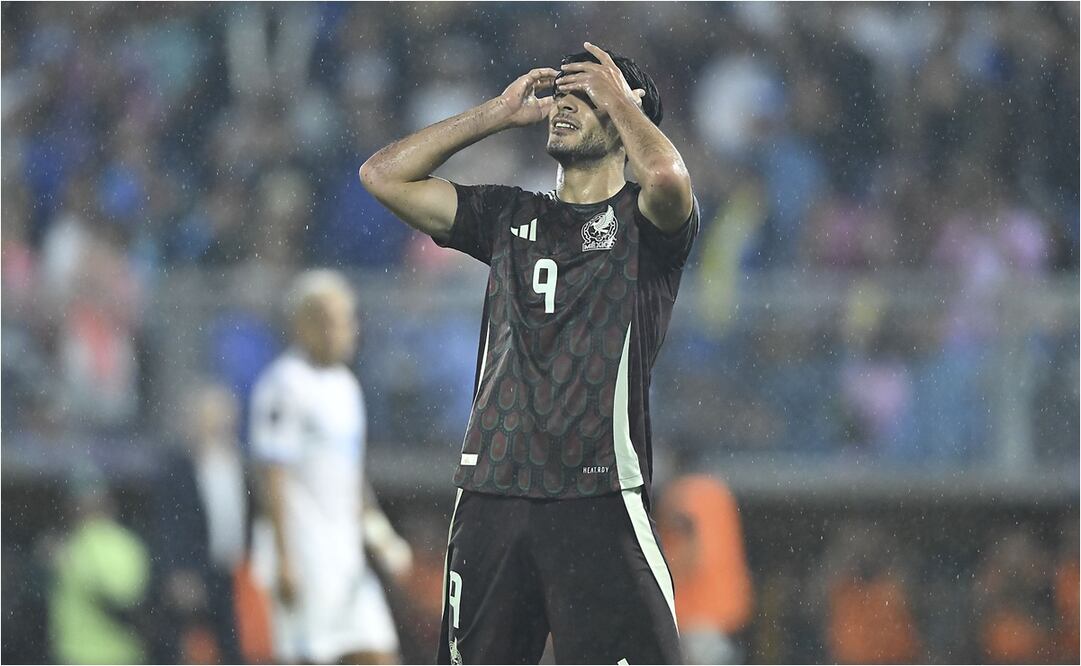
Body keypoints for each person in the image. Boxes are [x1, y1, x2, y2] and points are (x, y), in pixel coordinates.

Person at [361, 42, 698, 664]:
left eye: (585, 96)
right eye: (561, 96)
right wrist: (492, 113)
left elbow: (670, 178)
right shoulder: (508, 215)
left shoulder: (644, 227)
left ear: (629, 112)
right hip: (492, 492)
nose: (563, 107)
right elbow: (382, 175)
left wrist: (622, 101)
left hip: (597, 496)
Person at [249, 270, 413, 665]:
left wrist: (381, 536)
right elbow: (272, 473)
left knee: (379, 655)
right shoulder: (284, 385)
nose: (350, 330)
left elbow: (351, 475)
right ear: (306, 325)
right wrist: (285, 558)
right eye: (341, 320)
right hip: (306, 555)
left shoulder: (346, 387)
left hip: (346, 556)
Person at [152, 383, 250, 664]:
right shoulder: (178, 465)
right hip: (194, 569)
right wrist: (177, 570)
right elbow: (169, 523)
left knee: (233, 648)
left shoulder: (235, 463)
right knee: (185, 649)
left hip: (233, 571)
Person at [656, 474, 754, 664]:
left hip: (697, 624)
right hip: (727, 614)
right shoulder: (718, 492)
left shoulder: (680, 496)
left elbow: (690, 555)